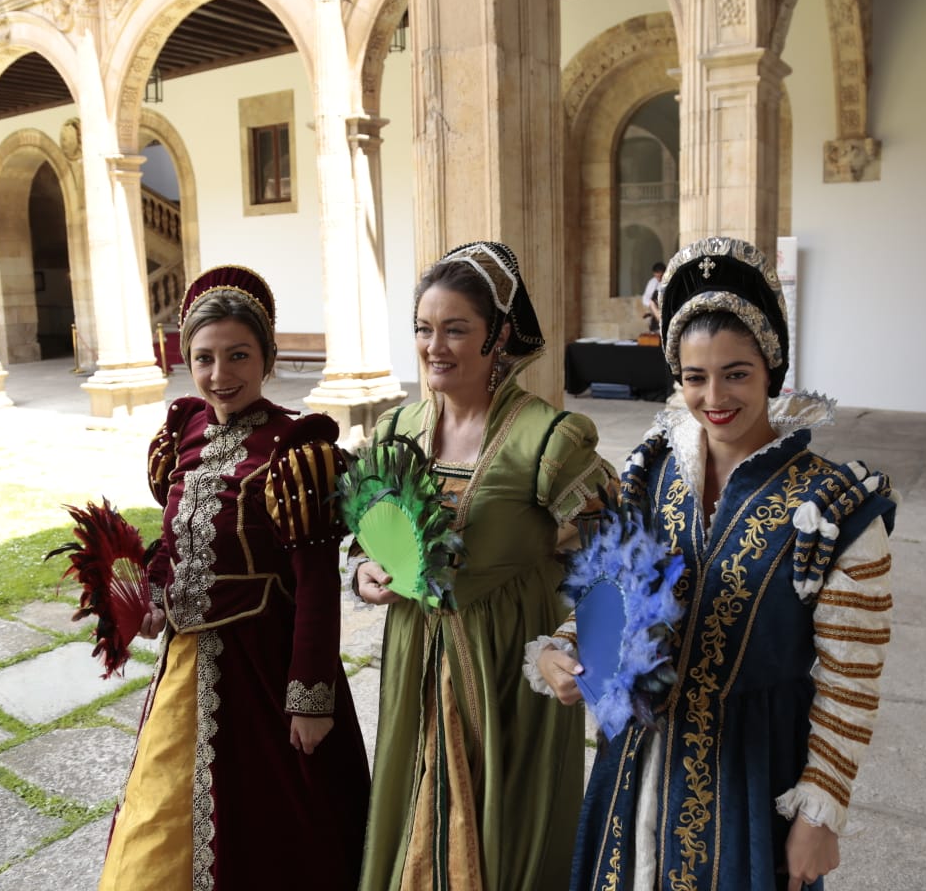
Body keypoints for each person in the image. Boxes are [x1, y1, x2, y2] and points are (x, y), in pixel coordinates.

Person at [535, 237, 897, 891]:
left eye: (737, 373)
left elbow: (852, 682)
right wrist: (566, 650)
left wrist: (821, 813)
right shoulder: (652, 476)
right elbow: (613, 592)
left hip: (752, 774)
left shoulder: (834, 508)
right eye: (695, 377)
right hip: (636, 767)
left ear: (772, 371)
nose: (714, 397)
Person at [353, 241, 616, 891]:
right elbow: (368, 538)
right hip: (416, 655)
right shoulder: (395, 430)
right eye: (423, 329)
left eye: (455, 330)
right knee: (417, 818)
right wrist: (363, 573)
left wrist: (574, 646)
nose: (434, 346)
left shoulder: (547, 440)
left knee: (502, 840)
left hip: (509, 662)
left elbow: (618, 558)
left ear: (497, 336)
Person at [98, 266, 369, 891]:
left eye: (238, 356)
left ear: (268, 358)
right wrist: (157, 598)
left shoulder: (295, 449)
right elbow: (173, 541)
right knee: (160, 815)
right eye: (204, 358)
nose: (221, 375)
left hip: (266, 668)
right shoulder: (185, 432)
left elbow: (316, 586)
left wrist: (310, 699)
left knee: (271, 830)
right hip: (185, 665)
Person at [641, 262, 665, 333]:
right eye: (657, 276)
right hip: (656, 315)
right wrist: (653, 306)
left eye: (661, 276)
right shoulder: (652, 282)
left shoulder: (670, 280)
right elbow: (645, 298)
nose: (659, 279)